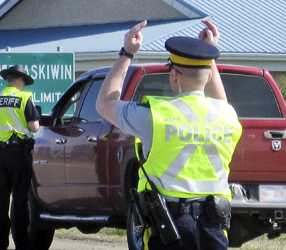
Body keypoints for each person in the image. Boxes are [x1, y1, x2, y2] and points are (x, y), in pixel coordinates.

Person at [96, 20, 243, 250]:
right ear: (208, 75)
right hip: (214, 228)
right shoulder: (227, 115)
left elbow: (105, 104)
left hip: (169, 229)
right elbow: (218, 101)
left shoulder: (154, 116)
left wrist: (127, 53)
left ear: (174, 75)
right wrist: (207, 55)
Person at [0, 64, 40, 250]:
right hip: (18, 154)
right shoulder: (24, 98)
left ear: (8, 81)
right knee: (20, 200)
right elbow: (34, 127)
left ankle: (0, 245)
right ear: (20, 81)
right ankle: (21, 245)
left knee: (1, 200)